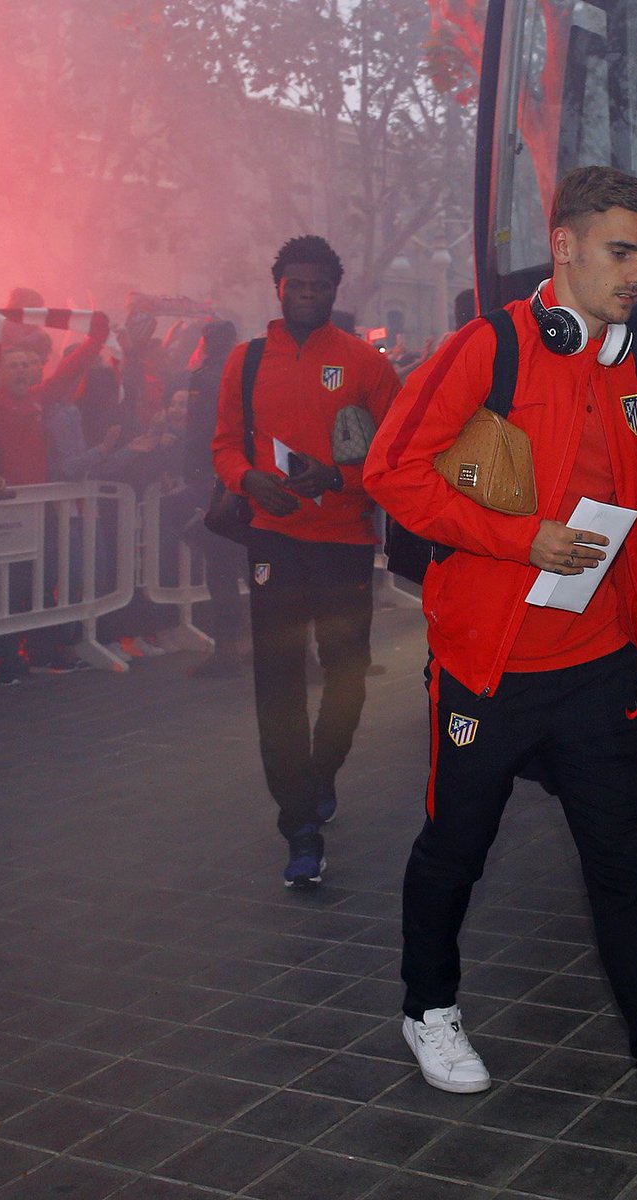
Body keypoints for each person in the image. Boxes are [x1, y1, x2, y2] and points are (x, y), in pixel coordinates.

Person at [363, 166, 637, 1152]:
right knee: (454, 849)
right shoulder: (488, 348)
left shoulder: (635, 370)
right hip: (488, 664)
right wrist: (520, 540)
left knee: (623, 872)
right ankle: (428, 1006)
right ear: (564, 245)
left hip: (596, 661)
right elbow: (390, 473)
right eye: (619, 252)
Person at [212, 235, 400, 888]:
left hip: (344, 540)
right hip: (275, 540)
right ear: (279, 286)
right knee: (278, 680)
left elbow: (393, 455)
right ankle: (299, 825)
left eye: (320, 286)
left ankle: (321, 775)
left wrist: (341, 481)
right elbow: (225, 445)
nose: (308, 295)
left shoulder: (365, 364)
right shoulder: (246, 359)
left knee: (345, 672)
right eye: (297, 284)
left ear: (335, 291)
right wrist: (246, 479)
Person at [183, 319, 247, 676]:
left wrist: (190, 474)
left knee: (221, 569)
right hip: (253, 477)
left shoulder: (204, 377)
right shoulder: (253, 374)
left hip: (218, 479)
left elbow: (197, 432)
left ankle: (227, 652)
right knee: (256, 567)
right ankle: (265, 647)